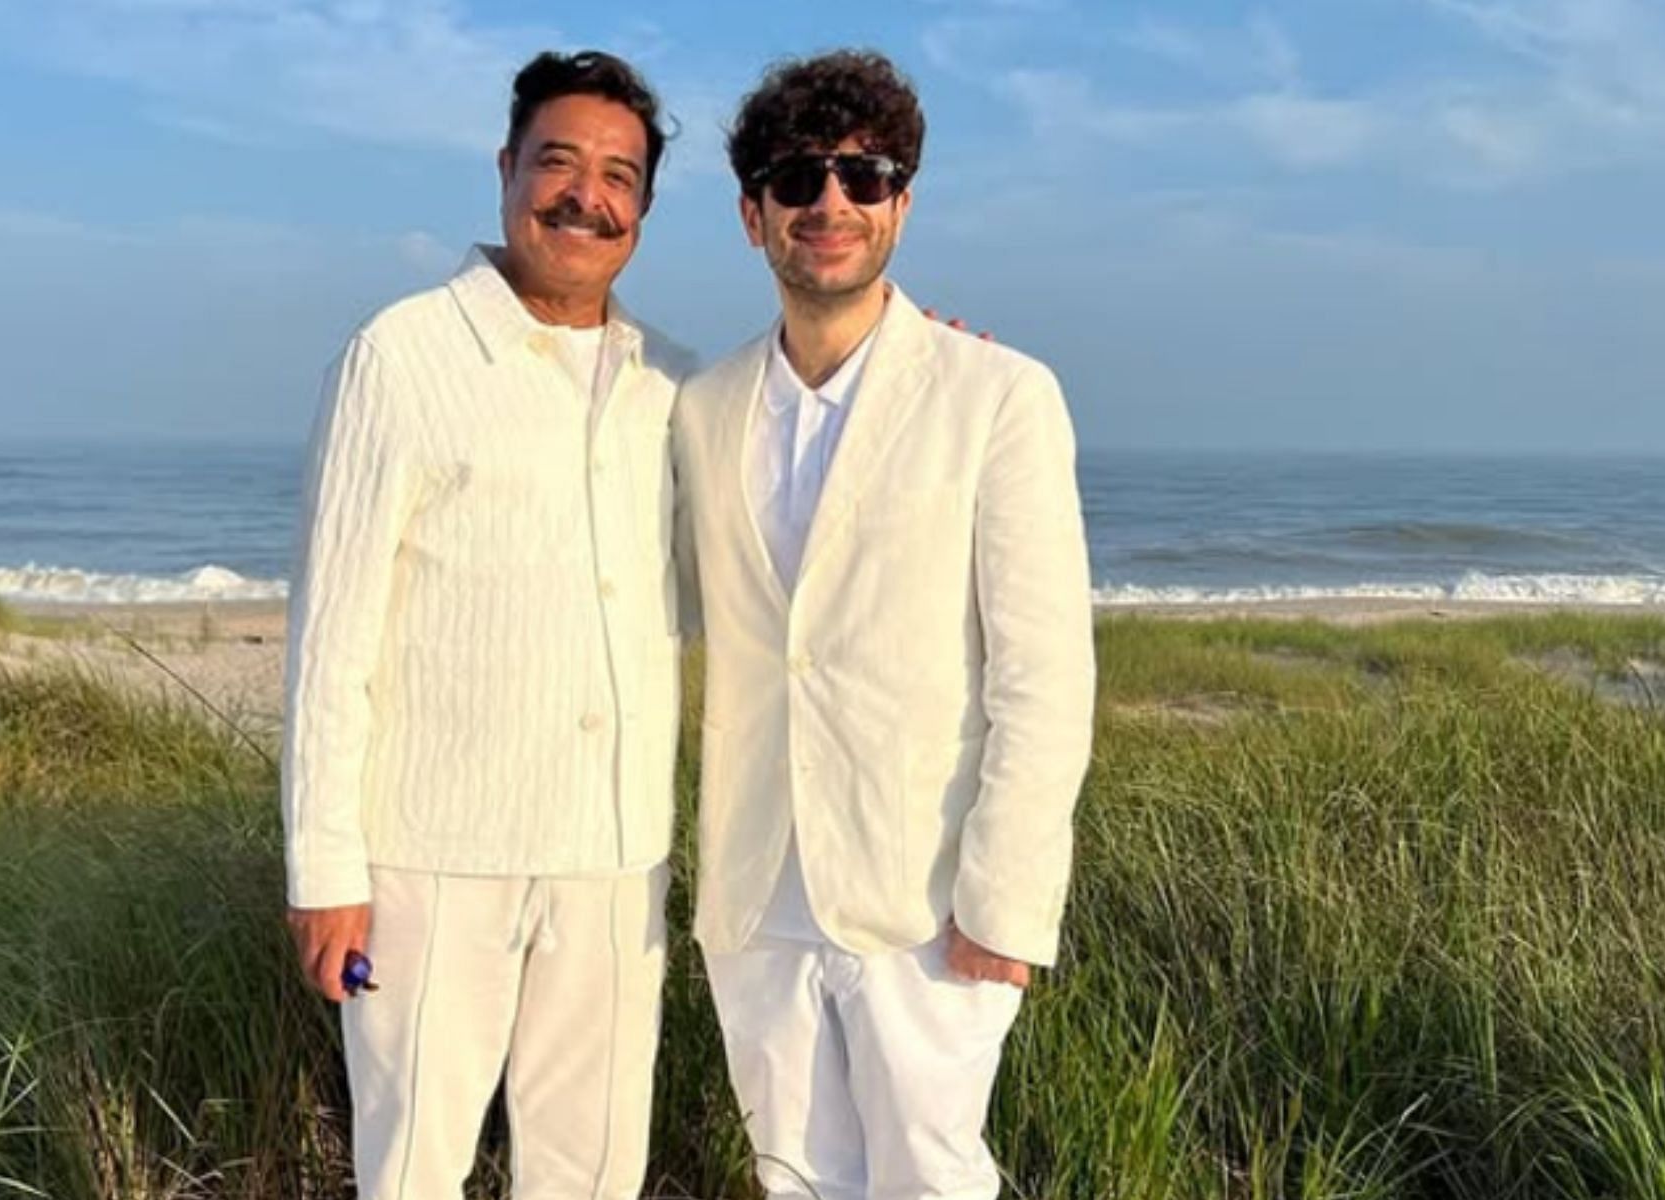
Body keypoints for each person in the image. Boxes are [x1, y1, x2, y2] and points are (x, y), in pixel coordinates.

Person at [671, 50, 1097, 1200]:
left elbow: (1045, 676)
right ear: (752, 212)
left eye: (864, 177)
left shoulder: (999, 397)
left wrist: (1004, 901)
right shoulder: (699, 412)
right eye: (798, 176)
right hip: (757, 893)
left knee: (932, 1181)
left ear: (903, 202)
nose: (831, 204)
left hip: (926, 898)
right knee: (792, 1181)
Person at [281, 49, 693, 1200]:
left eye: (619, 176)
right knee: (411, 1167)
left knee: (596, 1171)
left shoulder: (673, 382)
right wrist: (325, 871)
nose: (586, 195)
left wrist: (914, 373)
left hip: (615, 858)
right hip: (431, 857)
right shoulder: (401, 357)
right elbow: (332, 634)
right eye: (557, 161)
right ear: (507, 170)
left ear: (644, 209)